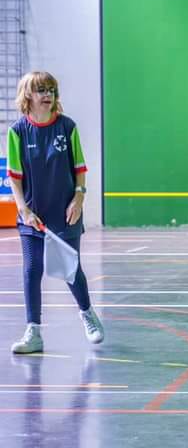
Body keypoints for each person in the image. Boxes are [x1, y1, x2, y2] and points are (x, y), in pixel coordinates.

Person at [7, 71, 104, 354]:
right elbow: (15, 177)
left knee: (70, 269)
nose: (47, 94)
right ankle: (33, 332)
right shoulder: (17, 132)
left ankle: (87, 314)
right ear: (28, 94)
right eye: (41, 90)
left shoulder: (67, 127)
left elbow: (80, 169)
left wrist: (79, 198)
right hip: (32, 215)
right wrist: (24, 210)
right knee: (32, 269)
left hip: (65, 213)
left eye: (51, 89)